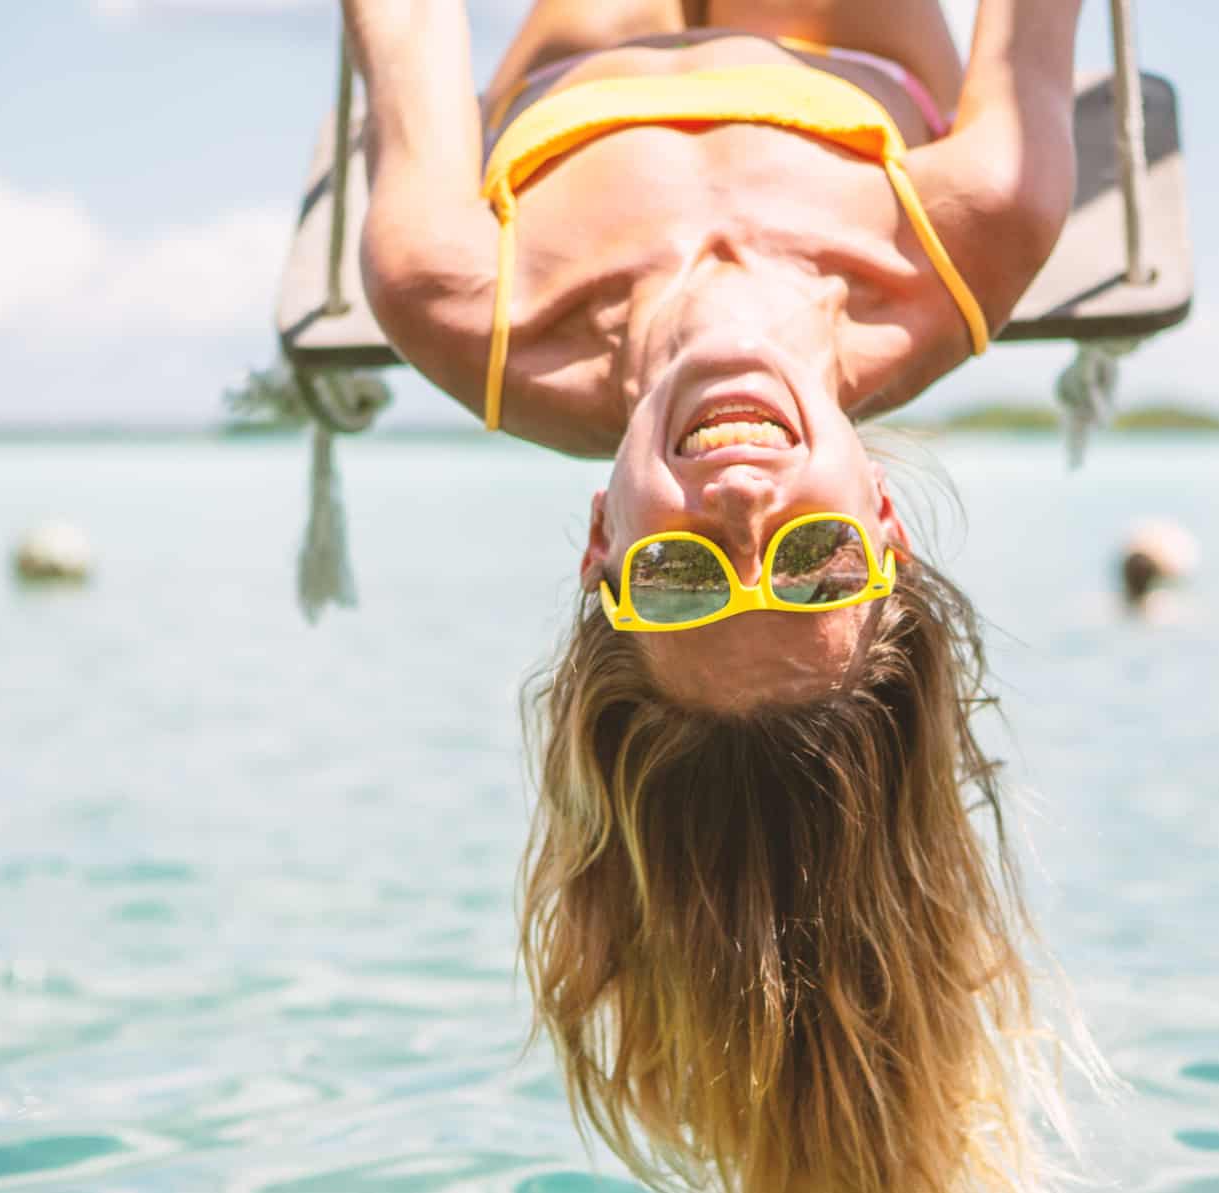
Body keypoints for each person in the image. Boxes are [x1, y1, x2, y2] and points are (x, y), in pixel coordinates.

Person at [340, 1, 1091, 1188]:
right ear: (884, 520)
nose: (747, 507)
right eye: (814, 563)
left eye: (684, 578)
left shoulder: (450, 295)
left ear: (600, 541)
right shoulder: (973, 232)